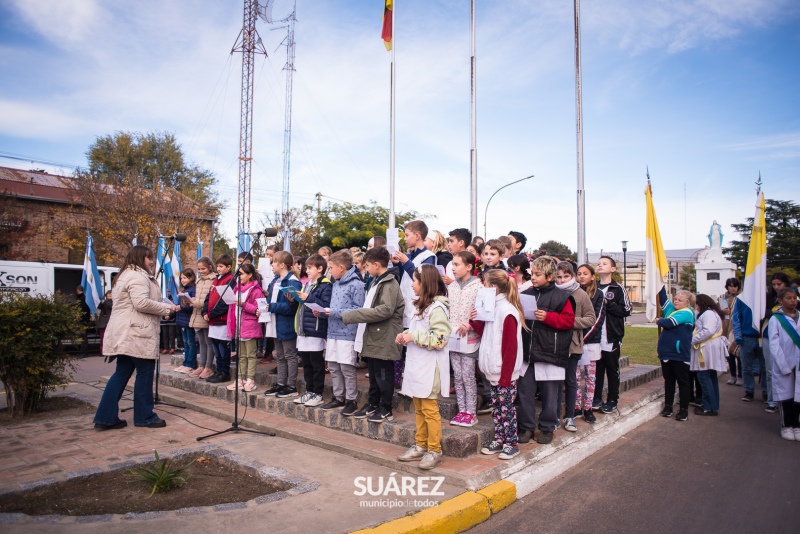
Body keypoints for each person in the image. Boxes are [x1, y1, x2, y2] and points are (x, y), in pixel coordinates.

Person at [94, 245, 176, 430]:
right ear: (140, 258)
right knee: (145, 374)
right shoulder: (138, 276)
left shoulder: (124, 275)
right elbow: (141, 303)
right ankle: (145, 416)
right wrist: (166, 308)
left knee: (121, 374)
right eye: (149, 258)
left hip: (125, 332)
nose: (152, 261)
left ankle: (105, 417)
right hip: (137, 332)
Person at [396, 264, 452, 470]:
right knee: (419, 408)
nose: (412, 284)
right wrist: (406, 335)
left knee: (429, 410)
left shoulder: (437, 309)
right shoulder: (422, 306)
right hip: (418, 364)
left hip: (430, 367)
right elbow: (418, 331)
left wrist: (414, 336)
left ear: (424, 283)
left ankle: (434, 449)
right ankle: (420, 444)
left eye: (415, 281)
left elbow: (440, 339)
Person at [342, 246, 405, 423]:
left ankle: (386, 408)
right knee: (374, 373)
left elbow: (384, 310)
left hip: (385, 336)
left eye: (367, 265)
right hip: (375, 335)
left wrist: (353, 314)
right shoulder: (376, 281)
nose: (365, 269)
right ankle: (373, 403)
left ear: (377, 265)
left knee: (383, 375)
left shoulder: (390, 284)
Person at [516, 256, 575, 445]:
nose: (533, 277)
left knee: (550, 395)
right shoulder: (526, 293)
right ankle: (526, 427)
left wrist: (548, 317)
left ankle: (547, 428)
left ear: (549, 276)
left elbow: (568, 322)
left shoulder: (563, 297)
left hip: (551, 352)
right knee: (525, 392)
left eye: (537, 274)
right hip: (528, 352)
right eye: (532, 273)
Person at [472, 269, 524, 460]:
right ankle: (500, 439)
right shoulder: (493, 307)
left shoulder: (507, 310)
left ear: (493, 287)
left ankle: (512, 442)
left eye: (484, 283)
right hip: (494, 370)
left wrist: (505, 376)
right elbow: (485, 332)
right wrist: (475, 318)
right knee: (497, 407)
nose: (482, 287)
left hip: (504, 372)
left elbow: (511, 347)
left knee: (506, 408)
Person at [321, 249, 366, 415]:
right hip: (332, 331)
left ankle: (351, 400)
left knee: (347, 367)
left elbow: (357, 310)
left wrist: (333, 312)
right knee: (333, 366)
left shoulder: (357, 285)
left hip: (347, 333)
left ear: (341, 267)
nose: (330, 271)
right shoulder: (335, 284)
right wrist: (323, 311)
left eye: (331, 267)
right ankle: (338, 397)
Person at [555, 261, 595, 432]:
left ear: (572, 276)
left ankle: (570, 416)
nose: (562, 280)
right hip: (554, 344)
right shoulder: (553, 292)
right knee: (554, 382)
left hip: (573, 345)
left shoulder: (580, 294)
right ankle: (555, 415)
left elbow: (590, 318)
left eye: (566, 276)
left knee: (571, 381)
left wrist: (570, 322)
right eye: (559, 277)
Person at [591, 256, 632, 414]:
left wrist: (608, 304)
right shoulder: (592, 287)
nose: (600, 265)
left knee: (612, 369)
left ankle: (613, 399)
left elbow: (626, 310)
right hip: (594, 337)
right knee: (597, 370)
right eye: (599, 263)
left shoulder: (617, 288)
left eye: (604, 263)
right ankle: (596, 397)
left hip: (611, 337)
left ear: (613, 269)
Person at [446, 251, 482, 427]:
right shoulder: (451, 287)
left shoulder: (478, 287)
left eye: (457, 264)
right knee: (458, 376)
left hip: (469, 338)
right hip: (454, 337)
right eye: (452, 264)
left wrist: (468, 325)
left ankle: (471, 412)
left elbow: (481, 312)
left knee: (468, 376)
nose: (453, 268)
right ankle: (462, 410)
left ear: (469, 267)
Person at [291, 254, 332, 407]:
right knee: (306, 363)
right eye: (305, 267)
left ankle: (318, 393)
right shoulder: (307, 283)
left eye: (309, 268)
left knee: (316, 363)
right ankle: (309, 390)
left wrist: (308, 298)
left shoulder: (325, 285)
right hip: (304, 329)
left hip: (315, 330)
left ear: (320, 268)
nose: (306, 270)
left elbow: (326, 305)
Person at [262, 251, 302, 398]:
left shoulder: (293, 282)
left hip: (286, 324)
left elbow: (291, 308)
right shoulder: (275, 281)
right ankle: (280, 383)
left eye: (274, 262)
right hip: (275, 323)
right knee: (279, 355)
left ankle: (291, 386)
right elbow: (270, 300)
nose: (271, 265)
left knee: (289, 355)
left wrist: (271, 306)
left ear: (282, 265)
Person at [657, 288, 696, 421]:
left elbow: (669, 323)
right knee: (669, 381)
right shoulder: (672, 309)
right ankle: (668, 407)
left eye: (680, 300)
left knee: (683, 382)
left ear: (688, 303)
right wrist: (660, 280)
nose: (676, 301)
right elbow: (662, 298)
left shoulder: (687, 312)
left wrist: (659, 320)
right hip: (666, 352)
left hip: (679, 353)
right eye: (675, 299)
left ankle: (683, 409)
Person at [767, 287, 800, 441]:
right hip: (784, 362)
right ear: (780, 300)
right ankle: (787, 425)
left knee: (798, 396)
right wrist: (783, 365)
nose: (793, 301)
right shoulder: (776, 319)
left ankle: (798, 425)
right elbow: (774, 345)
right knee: (786, 396)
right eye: (789, 298)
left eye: (795, 298)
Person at [225, 263, 264, 392]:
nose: (239, 276)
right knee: (241, 355)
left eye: (241, 274)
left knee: (250, 355)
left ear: (250, 274)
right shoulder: (237, 288)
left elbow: (259, 309)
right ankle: (241, 378)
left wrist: (243, 304)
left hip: (250, 326)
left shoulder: (256, 290)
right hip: (239, 325)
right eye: (238, 273)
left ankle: (250, 379)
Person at [575, 264, 604, 424]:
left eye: (585, 273)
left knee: (590, 377)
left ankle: (588, 407)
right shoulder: (574, 293)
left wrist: (583, 338)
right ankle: (576, 407)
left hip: (590, 342)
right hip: (576, 342)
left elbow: (597, 319)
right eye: (579, 274)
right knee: (576, 377)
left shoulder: (598, 294)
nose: (582, 276)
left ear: (593, 276)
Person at [691, 294, 729, 416]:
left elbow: (708, 331)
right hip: (709, 346)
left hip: (707, 347)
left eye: (696, 305)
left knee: (703, 376)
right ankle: (712, 405)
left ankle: (709, 407)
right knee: (710, 376)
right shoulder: (711, 313)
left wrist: (692, 340)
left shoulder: (708, 314)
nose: (695, 307)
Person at [733, 274, 768, 404]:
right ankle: (749, 391)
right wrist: (738, 336)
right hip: (746, 337)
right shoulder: (741, 299)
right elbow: (736, 318)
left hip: (763, 336)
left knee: (765, 367)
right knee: (746, 367)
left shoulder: (764, 298)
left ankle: (766, 392)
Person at [762, 272, 791, 413]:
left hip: (788, 339)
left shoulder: (792, 298)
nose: (776, 287)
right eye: (774, 284)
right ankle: (772, 400)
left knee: (787, 369)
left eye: (779, 284)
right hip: (769, 336)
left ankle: (787, 400)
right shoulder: (768, 298)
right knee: (770, 370)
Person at [202, 254, 234, 384]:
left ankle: (224, 371)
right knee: (215, 346)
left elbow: (226, 302)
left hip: (222, 319)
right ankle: (218, 370)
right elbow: (208, 297)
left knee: (223, 347)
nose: (218, 268)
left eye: (221, 266)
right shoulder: (216, 280)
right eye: (218, 266)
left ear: (229, 267)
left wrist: (212, 313)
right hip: (213, 320)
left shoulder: (230, 280)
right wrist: (205, 310)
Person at [188, 257, 216, 379]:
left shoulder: (214, 280)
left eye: (203, 268)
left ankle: (208, 366)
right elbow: (197, 296)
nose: (201, 271)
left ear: (210, 267)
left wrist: (197, 303)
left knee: (209, 342)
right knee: (201, 342)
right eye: (199, 269)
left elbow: (210, 299)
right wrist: (189, 301)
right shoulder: (199, 280)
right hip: (197, 314)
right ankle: (202, 365)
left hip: (206, 314)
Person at [172, 268, 197, 373]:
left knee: (190, 342)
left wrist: (181, 307)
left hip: (188, 320)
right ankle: (186, 362)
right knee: (185, 343)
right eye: (181, 278)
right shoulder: (183, 290)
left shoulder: (193, 290)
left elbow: (192, 306)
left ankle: (191, 363)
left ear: (191, 278)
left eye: (185, 278)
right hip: (182, 319)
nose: (182, 280)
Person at [721, 278, 742, 386]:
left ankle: (740, 376)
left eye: (735, 286)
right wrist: (723, 311)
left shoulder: (742, 298)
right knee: (729, 354)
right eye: (730, 286)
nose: (733, 288)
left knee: (738, 352)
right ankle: (733, 375)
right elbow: (719, 310)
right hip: (725, 327)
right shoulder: (723, 297)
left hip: (737, 328)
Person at [96, 290, 113, 355]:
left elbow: (111, 306)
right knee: (103, 337)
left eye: (111, 294)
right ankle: (102, 351)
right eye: (108, 294)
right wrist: (102, 302)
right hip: (103, 322)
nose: (110, 295)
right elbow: (99, 307)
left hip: (110, 322)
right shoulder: (104, 302)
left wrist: (105, 302)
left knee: (110, 338)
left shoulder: (114, 302)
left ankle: (109, 351)